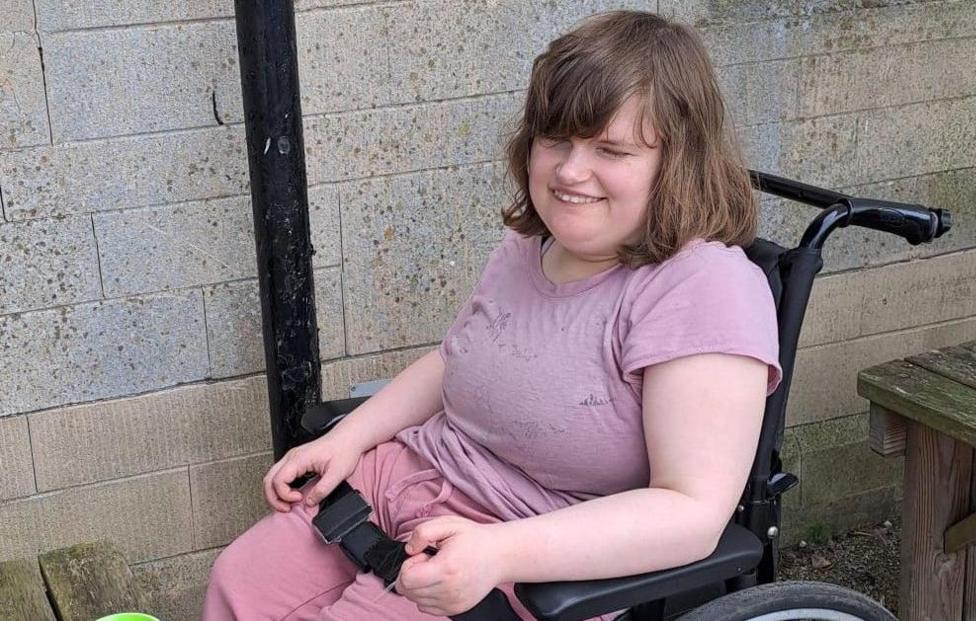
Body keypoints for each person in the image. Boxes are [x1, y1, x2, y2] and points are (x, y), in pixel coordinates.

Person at [203, 9, 781, 620]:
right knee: (238, 583)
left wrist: (498, 553)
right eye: (556, 139)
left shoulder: (701, 289)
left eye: (610, 149)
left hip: (523, 543)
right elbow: (453, 361)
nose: (569, 171)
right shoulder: (534, 245)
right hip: (402, 481)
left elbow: (690, 513)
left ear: (677, 164)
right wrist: (348, 439)